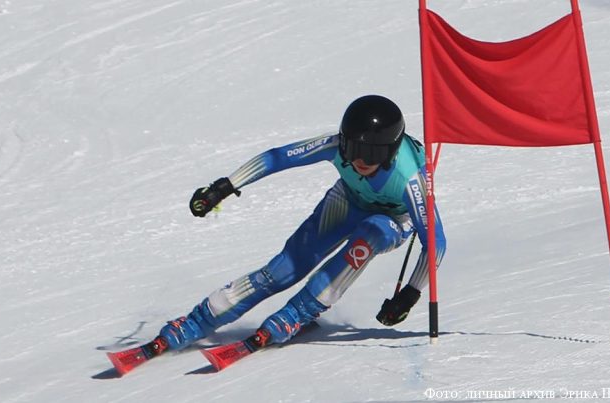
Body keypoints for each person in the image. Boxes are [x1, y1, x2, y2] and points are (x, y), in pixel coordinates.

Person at [147, 95, 446, 355]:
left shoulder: (410, 180)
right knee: (284, 269)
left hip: (394, 218)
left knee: (370, 235)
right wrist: (225, 186)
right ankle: (198, 321)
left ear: (390, 152)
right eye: (351, 148)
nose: (358, 160)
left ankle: (298, 313)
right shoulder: (336, 148)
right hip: (350, 200)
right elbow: (278, 158)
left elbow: (436, 242)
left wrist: (410, 293)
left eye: (371, 154)